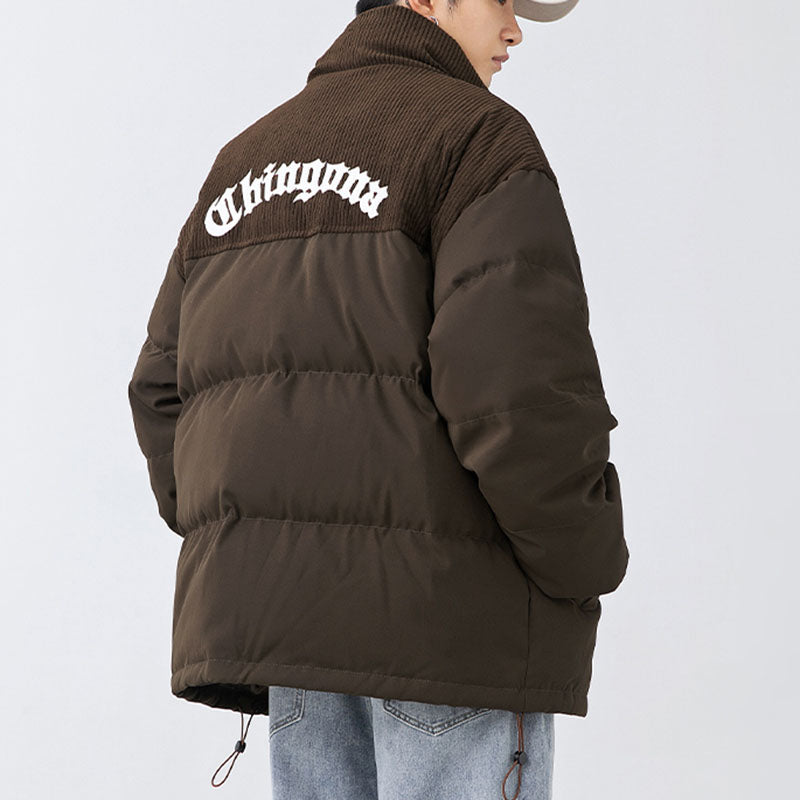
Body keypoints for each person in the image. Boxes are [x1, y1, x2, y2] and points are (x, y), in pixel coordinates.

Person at [126, 0, 628, 797]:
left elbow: (161, 389)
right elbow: (516, 393)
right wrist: (585, 556)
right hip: (450, 629)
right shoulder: (475, 139)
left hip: (291, 634)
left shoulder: (245, 161)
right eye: (499, 1)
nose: (514, 30)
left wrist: (248, 533)